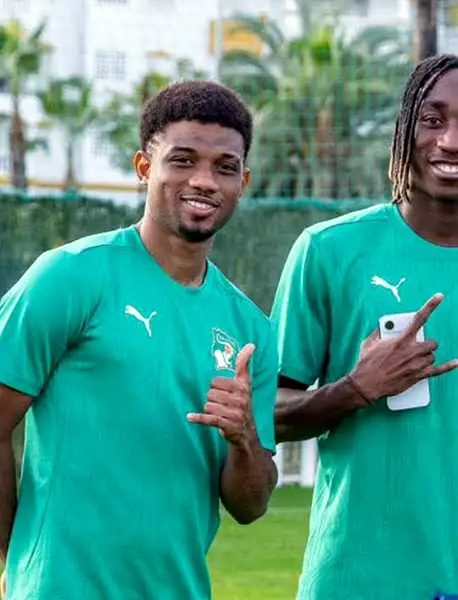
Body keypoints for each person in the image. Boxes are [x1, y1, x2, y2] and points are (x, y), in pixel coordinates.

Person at [270, 53, 458, 600]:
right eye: (432, 120)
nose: (452, 140)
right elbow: (269, 414)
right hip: (349, 583)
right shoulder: (326, 251)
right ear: (404, 133)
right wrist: (356, 388)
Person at [0, 80, 278, 599]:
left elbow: (251, 505)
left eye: (224, 167)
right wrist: (16, 563)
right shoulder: (71, 276)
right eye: (183, 160)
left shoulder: (250, 330)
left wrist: (243, 439)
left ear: (243, 182)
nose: (204, 181)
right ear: (145, 168)